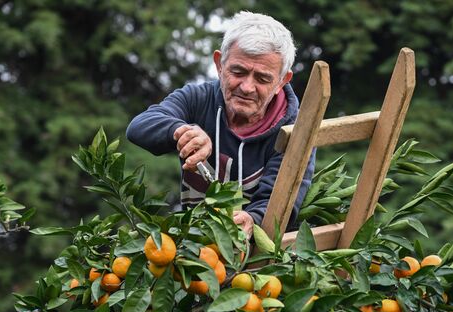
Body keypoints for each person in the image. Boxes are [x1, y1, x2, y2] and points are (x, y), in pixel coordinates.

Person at [126, 11, 315, 238]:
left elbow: (279, 202)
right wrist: (183, 131)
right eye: (238, 71)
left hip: (259, 258)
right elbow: (140, 126)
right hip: (196, 247)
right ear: (219, 64)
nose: (246, 87)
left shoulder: (295, 130)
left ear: (282, 81)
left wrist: (252, 219)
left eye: (262, 79)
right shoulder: (198, 99)